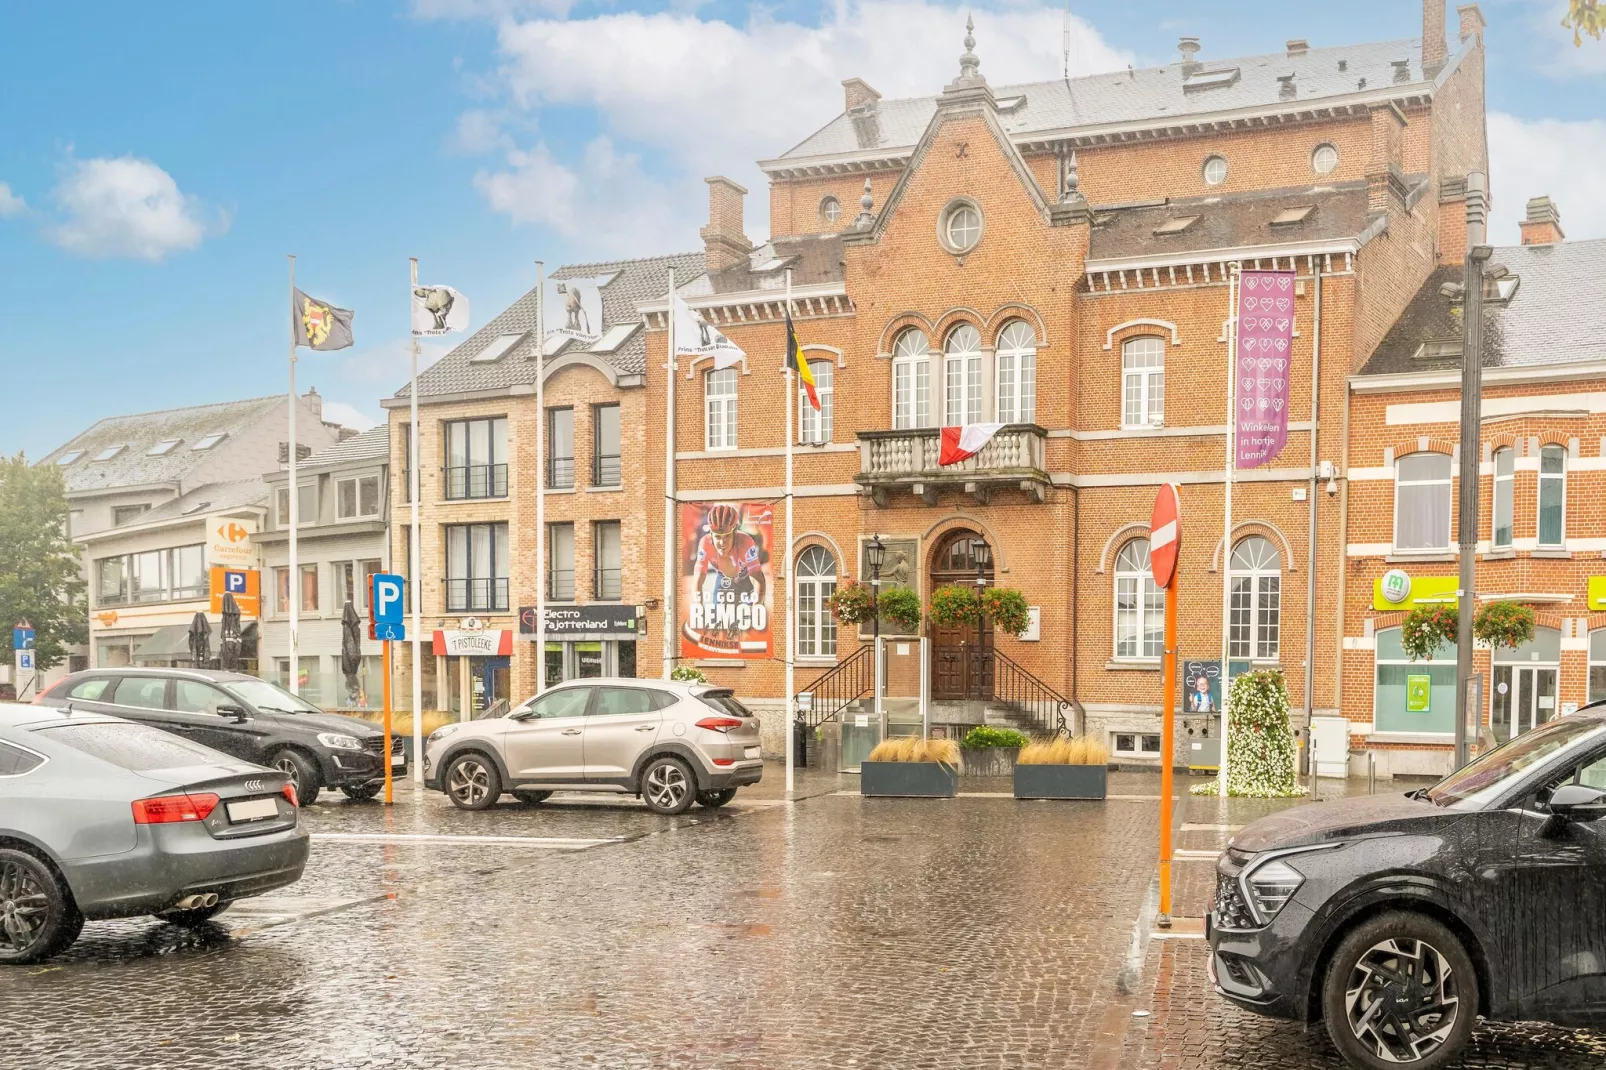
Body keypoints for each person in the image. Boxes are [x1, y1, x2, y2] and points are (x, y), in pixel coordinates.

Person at [692, 504, 766, 613]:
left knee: (750, 618)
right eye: (717, 537)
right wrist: (699, 608)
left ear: (735, 532)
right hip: (723, 577)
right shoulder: (705, 543)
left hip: (745, 578)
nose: (722, 543)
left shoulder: (745, 542)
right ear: (711, 534)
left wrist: (756, 609)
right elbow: (698, 580)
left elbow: (758, 580)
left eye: (727, 536)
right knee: (717, 618)